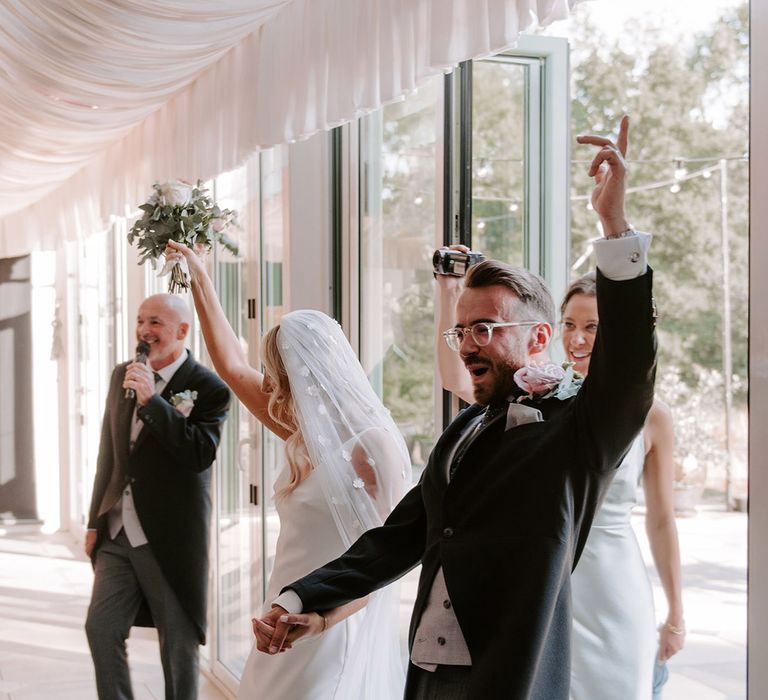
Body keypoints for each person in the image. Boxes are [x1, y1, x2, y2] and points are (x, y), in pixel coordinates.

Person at [258, 115, 658, 699]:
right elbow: (400, 535)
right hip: (428, 673)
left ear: (540, 338)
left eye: (487, 327)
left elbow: (629, 365)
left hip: (510, 675)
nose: (469, 341)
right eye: (462, 330)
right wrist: (301, 598)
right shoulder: (464, 428)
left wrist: (614, 225)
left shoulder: (582, 428)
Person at [164, 241, 412, 700]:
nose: (272, 386)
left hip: (327, 623)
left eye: (278, 374)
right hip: (280, 610)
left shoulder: (371, 447)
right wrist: (199, 275)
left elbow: (386, 561)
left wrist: (321, 620)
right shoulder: (304, 429)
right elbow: (230, 365)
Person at [85, 293, 231, 700]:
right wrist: (94, 522)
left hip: (170, 536)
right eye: (140, 321)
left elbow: (199, 454)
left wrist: (153, 402)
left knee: (177, 645)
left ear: (182, 331)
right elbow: (108, 455)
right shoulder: (122, 375)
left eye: (156, 323)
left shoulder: (209, 388)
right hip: (117, 531)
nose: (144, 331)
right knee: (101, 628)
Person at [560, 273, 685, 700]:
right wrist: (448, 289)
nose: (577, 339)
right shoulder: (546, 400)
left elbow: (662, 519)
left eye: (592, 326)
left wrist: (675, 614)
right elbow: (461, 384)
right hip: (552, 577)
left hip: (615, 585)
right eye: (569, 324)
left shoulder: (655, 416)